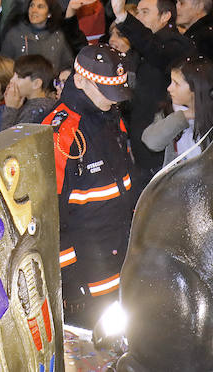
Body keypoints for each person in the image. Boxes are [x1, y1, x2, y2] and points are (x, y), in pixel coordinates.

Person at [45, 44, 137, 327]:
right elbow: (50, 212)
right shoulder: (62, 132)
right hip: (88, 267)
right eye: (105, 92)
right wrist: (69, 278)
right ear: (80, 80)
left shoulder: (110, 113)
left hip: (122, 249)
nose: (112, 101)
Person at [111, 0, 196, 183]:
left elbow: (155, 50)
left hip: (162, 145)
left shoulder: (176, 44)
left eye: (145, 12)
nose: (138, 17)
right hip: (139, 139)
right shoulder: (140, 47)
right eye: (137, 12)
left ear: (165, 16)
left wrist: (124, 17)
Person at [140, 55, 213, 166]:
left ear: (196, 88)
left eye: (176, 83)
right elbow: (151, 141)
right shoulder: (169, 111)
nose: (169, 88)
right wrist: (183, 116)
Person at [2, 0, 78, 75]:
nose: (34, 10)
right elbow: (3, 65)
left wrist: (65, 73)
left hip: (49, 85)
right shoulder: (15, 34)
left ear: (49, 14)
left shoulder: (57, 37)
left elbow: (68, 64)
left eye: (40, 7)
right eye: (31, 6)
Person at [0, 54, 58, 128]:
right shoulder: (48, 104)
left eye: (19, 77)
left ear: (36, 84)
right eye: (13, 76)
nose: (12, 80)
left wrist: (10, 109)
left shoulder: (35, 111)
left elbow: (10, 138)